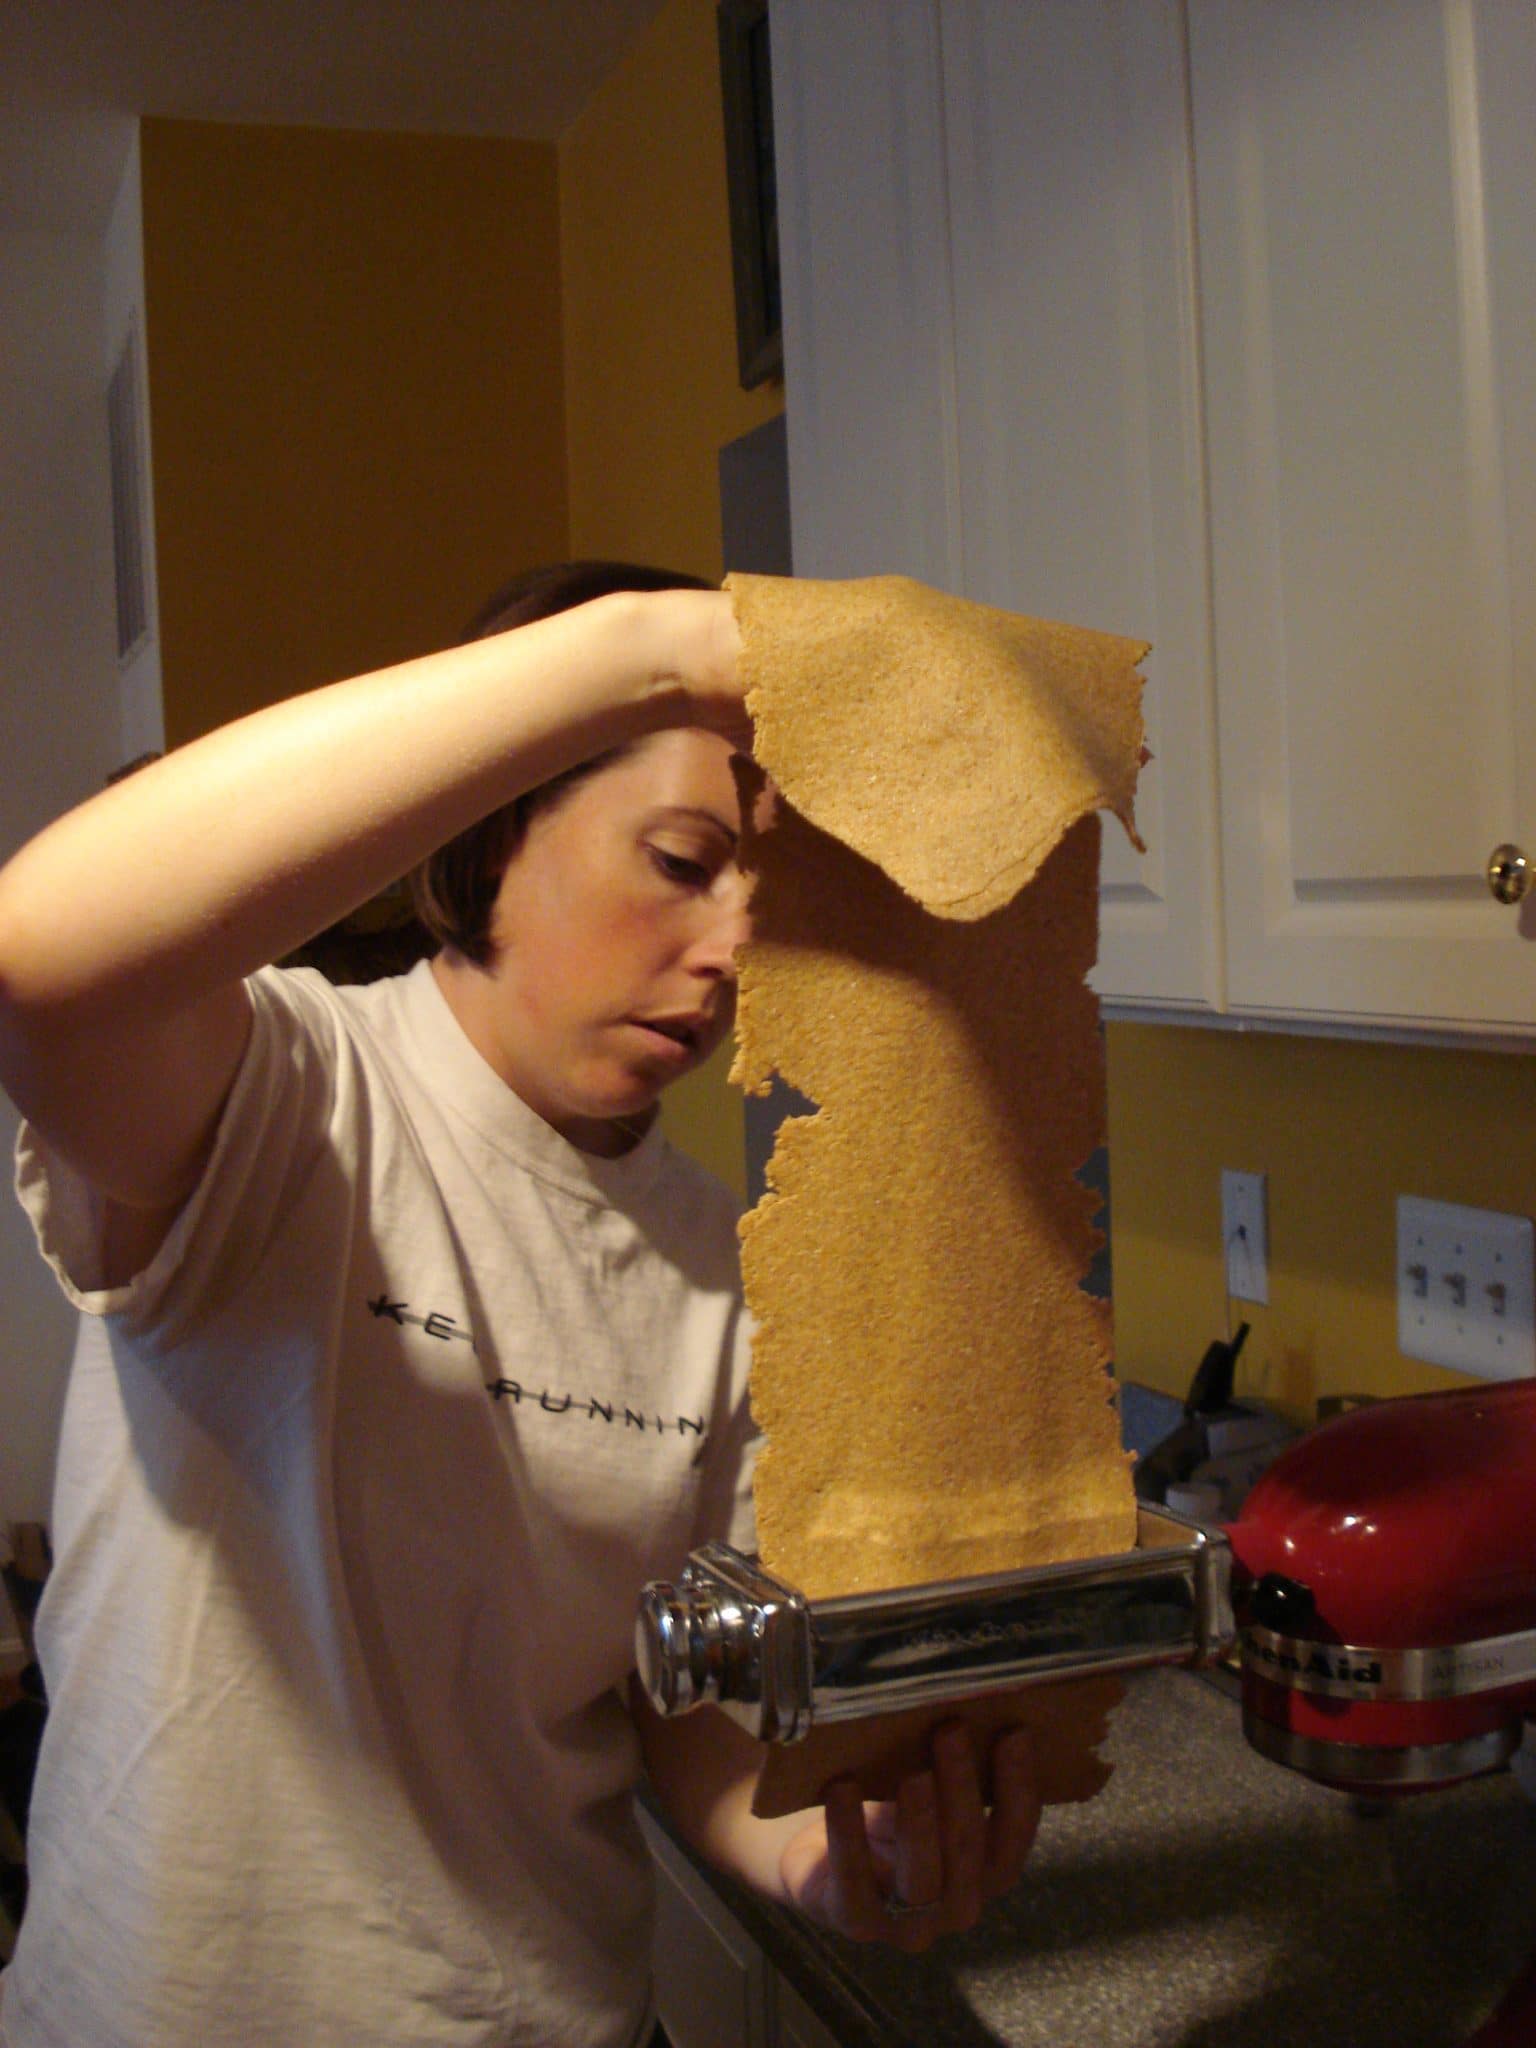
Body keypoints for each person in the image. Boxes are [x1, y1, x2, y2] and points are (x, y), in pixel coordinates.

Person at [0, 561, 1042, 2048]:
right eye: (683, 861)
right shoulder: (284, 1099)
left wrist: (815, 1854)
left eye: (769, 889)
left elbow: (666, 1696)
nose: (738, 947)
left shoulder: (725, 1268)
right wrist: (663, 645)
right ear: (495, 840)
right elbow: (38, 959)